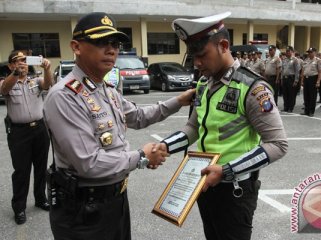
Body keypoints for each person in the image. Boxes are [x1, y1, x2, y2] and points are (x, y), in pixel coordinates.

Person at [42, 12, 194, 240]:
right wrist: (142, 156)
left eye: (115, 43)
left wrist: (179, 101)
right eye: (101, 42)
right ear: (76, 47)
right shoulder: (65, 96)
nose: (111, 49)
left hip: (115, 199)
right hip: (84, 210)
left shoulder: (107, 89)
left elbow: (139, 116)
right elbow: (89, 163)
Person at [157, 12, 288, 240]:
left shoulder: (252, 88)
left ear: (223, 45)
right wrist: (165, 146)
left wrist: (227, 170)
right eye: (193, 57)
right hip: (205, 183)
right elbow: (193, 128)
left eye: (202, 55)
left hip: (235, 189)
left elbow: (278, 144)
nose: (197, 63)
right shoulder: (204, 85)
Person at [0, 50, 53, 224]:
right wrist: (15, 74)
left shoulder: (34, 80)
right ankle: (19, 207)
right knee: (21, 171)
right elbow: (4, 89)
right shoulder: (6, 81)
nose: (22, 62)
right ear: (10, 65)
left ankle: (40, 199)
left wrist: (47, 69)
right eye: (17, 60)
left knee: (40, 167)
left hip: (39, 129)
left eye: (24, 59)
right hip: (18, 133)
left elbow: (47, 85)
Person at [300, 47, 321, 117]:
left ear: (315, 52)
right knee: (306, 95)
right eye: (308, 52)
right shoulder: (306, 60)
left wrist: (318, 81)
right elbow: (303, 71)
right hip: (306, 79)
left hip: (313, 79)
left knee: (312, 96)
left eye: (311, 52)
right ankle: (306, 110)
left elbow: (320, 71)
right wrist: (302, 80)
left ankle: (311, 111)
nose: (309, 53)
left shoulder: (318, 60)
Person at [281, 46, 300, 113]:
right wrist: (281, 79)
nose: (287, 52)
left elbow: (297, 71)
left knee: (291, 94)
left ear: (292, 52)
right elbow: (282, 70)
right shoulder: (284, 60)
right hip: (285, 78)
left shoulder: (295, 60)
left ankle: (290, 108)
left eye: (289, 51)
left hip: (291, 78)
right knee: (285, 94)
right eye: (286, 51)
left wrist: (296, 80)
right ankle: (286, 107)